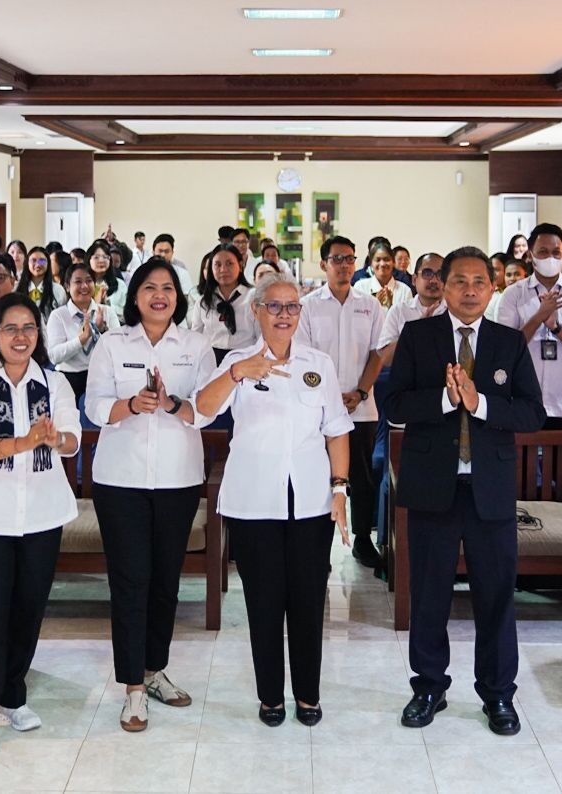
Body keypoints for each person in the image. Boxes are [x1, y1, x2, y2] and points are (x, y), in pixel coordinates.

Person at [385, 246, 546, 737]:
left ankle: (498, 695)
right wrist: (443, 398)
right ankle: (428, 687)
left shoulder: (508, 342)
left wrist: (479, 405)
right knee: (429, 593)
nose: (470, 290)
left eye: (480, 281)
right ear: (440, 285)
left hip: (489, 491)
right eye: (459, 281)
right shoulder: (417, 336)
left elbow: (532, 414)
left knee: (496, 596)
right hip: (433, 487)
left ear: (492, 287)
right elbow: (392, 403)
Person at [195, 272, 351, 727]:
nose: (285, 315)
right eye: (275, 306)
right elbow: (203, 408)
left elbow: (337, 429)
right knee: (263, 603)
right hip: (253, 502)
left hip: (309, 502)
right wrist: (238, 373)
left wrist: (339, 488)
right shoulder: (236, 361)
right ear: (256, 311)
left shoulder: (318, 363)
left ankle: (307, 694)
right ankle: (270, 696)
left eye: (292, 307)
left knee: (307, 600)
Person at [85, 258, 216, 731]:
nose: (159, 296)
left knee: (165, 581)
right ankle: (132, 689)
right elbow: (94, 405)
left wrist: (171, 403)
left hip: (178, 480)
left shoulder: (197, 346)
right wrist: (130, 405)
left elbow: (207, 409)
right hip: (120, 481)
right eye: (149, 288)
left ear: (178, 297)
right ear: (135, 296)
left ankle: (155, 670)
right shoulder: (112, 344)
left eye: (167, 288)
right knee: (130, 581)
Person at [0, 292, 81, 752]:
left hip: (43, 513)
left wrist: (57, 438)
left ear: (38, 335)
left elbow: (71, 441)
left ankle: (12, 695)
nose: (21, 337)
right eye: (11, 329)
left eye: (29, 328)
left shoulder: (56, 383)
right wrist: (24, 442)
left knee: (28, 610)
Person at [296, 236, 385, 569]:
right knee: (320, 475)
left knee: (362, 476)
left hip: (361, 407)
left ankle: (362, 539)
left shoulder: (370, 305)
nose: (344, 265)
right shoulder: (308, 306)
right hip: (319, 409)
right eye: (337, 259)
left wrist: (360, 392)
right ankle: (319, 546)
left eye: (349, 258)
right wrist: (332, 398)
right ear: (323, 265)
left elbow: (378, 353)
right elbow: (305, 359)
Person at [498, 223, 562, 429]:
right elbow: (505, 349)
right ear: (530, 255)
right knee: (522, 461)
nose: (550, 258)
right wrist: (539, 317)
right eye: (543, 252)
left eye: (556, 252)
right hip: (522, 400)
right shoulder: (513, 294)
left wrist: (556, 327)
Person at [45, 263, 119, 399]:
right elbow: (54, 356)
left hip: (102, 377)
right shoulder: (59, 315)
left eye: (89, 281)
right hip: (70, 379)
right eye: (78, 282)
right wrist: (82, 339)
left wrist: (102, 332)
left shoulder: (106, 312)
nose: (84, 286)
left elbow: (118, 351)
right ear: (67, 286)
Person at [187, 243, 256, 364]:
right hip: (211, 360)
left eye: (229, 263)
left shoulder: (254, 298)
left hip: (246, 358)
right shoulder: (203, 302)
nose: (223, 269)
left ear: (240, 266)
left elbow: (262, 335)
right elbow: (195, 337)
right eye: (217, 265)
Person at [378, 252, 447, 366]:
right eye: (427, 273)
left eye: (440, 274)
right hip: (407, 381)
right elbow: (385, 359)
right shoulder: (399, 311)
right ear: (414, 279)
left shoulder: (455, 312)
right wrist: (418, 330)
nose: (434, 280)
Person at [354, 242, 414, 311]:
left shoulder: (405, 291)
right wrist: (374, 306)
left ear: (393, 262)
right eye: (378, 260)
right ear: (371, 263)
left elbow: (407, 320)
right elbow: (356, 318)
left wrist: (391, 307)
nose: (382, 264)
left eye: (386, 259)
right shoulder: (360, 287)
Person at [17, 245, 68, 321]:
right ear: (27, 263)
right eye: (33, 260)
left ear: (48, 264)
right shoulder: (16, 289)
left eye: (42, 261)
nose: (38, 264)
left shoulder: (58, 290)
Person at [88, 239, 128, 311]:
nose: (101, 261)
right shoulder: (83, 285)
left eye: (105, 257)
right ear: (88, 260)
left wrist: (107, 304)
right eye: (96, 257)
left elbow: (126, 313)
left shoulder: (120, 284)